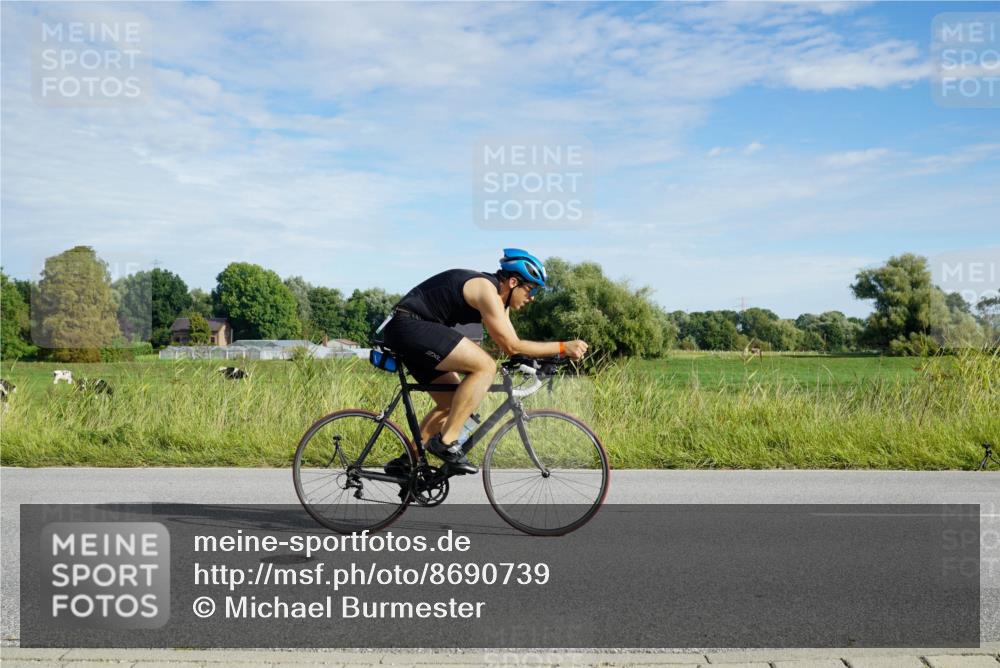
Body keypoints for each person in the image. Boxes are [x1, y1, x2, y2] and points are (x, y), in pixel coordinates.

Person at [381, 249, 588, 474]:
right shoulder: (486, 290)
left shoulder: (500, 303)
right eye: (530, 289)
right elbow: (512, 346)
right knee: (485, 366)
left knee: (453, 404)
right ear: (512, 282)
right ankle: (446, 442)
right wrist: (562, 346)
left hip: (411, 331)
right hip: (408, 325)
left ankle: (406, 463)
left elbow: (514, 348)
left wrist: (547, 359)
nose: (532, 296)